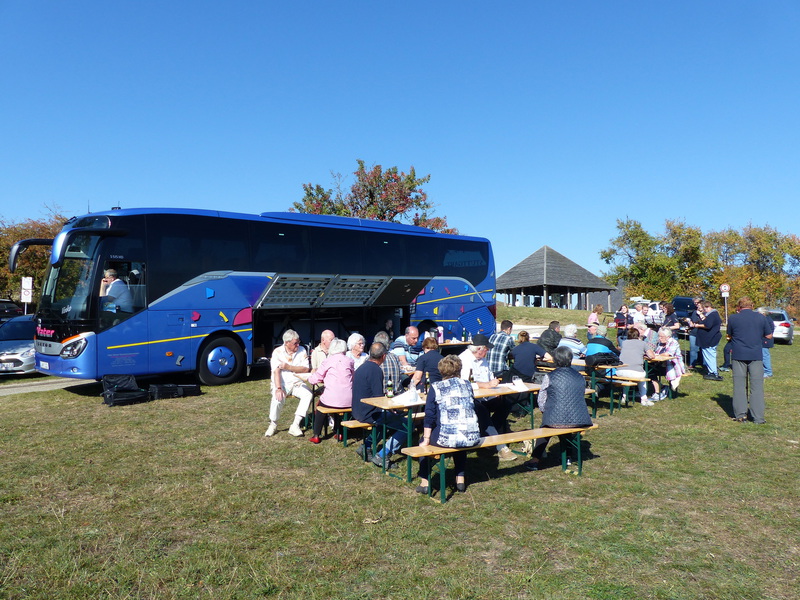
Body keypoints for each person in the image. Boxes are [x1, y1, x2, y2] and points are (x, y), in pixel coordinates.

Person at [415, 355, 481, 495]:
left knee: (423, 443)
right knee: (460, 435)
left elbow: (430, 415)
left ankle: (425, 482)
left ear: (441, 371)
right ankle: (460, 479)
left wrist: (426, 438)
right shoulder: (467, 384)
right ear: (459, 369)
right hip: (471, 435)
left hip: (447, 438)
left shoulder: (436, 387)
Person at [523, 347, 594, 471]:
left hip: (555, 418)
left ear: (555, 359)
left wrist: (544, 410)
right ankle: (568, 457)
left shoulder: (549, 376)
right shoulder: (580, 377)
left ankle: (535, 460)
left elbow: (542, 397)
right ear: (570, 359)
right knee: (566, 429)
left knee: (545, 431)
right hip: (579, 418)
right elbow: (580, 394)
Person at [459, 334, 516, 461]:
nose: (488, 351)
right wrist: (485, 385)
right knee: (482, 411)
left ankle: (488, 434)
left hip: (487, 396)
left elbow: (490, 376)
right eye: (487, 349)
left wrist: (495, 385)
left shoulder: (483, 359)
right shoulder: (464, 360)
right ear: (479, 349)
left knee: (506, 403)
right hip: (470, 399)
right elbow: (464, 383)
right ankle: (501, 447)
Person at [351, 342, 409, 466]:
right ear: (383, 356)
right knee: (407, 425)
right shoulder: (376, 370)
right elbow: (378, 399)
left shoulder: (362, 367)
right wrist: (392, 408)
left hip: (357, 410)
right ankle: (383, 455)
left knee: (386, 421)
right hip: (369, 413)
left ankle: (366, 446)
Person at [727, 297, 772, 424]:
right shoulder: (761, 317)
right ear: (752, 306)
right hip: (755, 355)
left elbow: (729, 335)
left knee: (739, 386)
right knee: (757, 386)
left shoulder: (733, 318)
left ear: (739, 307)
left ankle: (741, 415)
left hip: (738, 354)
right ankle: (758, 417)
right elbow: (769, 335)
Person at [265, 329, 312, 437]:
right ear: (286, 343)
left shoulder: (302, 350)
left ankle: (295, 425)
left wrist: (288, 367)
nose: (298, 345)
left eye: (298, 342)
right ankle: (273, 424)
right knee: (277, 398)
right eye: (295, 343)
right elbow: (276, 371)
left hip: (297, 383)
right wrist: (278, 388)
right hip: (282, 383)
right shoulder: (277, 352)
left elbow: (305, 369)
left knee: (308, 394)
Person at [307, 338, 354, 443]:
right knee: (338, 407)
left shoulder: (328, 361)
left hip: (331, 398)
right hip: (348, 399)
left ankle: (316, 435)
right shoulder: (349, 361)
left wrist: (310, 378)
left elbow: (317, 378)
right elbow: (353, 377)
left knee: (320, 407)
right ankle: (339, 432)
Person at [616, 327, 656, 405]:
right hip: (636, 372)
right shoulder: (643, 343)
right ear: (638, 335)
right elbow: (652, 356)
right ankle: (644, 398)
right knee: (643, 378)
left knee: (626, 379)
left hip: (620, 371)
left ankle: (624, 396)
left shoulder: (624, 343)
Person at [649, 327, 685, 401]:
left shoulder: (673, 342)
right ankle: (661, 388)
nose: (659, 338)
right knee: (648, 370)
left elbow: (667, 354)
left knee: (651, 371)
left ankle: (658, 392)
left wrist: (656, 355)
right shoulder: (660, 343)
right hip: (661, 364)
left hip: (673, 366)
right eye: (659, 336)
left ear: (668, 337)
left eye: (661, 337)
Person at [692, 300, 722, 381]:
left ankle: (713, 372)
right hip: (711, 338)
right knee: (710, 355)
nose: (704, 310)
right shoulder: (714, 314)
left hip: (709, 339)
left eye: (704, 308)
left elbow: (708, 325)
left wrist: (697, 325)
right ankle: (713, 371)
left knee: (709, 356)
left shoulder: (712, 315)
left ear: (708, 307)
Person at [374, 330, 405, 395]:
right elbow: (400, 374)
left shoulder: (372, 359)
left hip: (381, 395)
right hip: (396, 393)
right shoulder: (395, 357)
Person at [757, 308, 775, 378]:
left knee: (765, 356)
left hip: (765, 340)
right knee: (762, 356)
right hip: (762, 340)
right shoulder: (765, 319)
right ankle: (763, 370)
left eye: (759, 313)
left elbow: (769, 331)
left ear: (763, 313)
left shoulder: (767, 320)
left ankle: (768, 372)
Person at [688, 298, 704, 368]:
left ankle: (704, 364)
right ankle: (692, 364)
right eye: (695, 304)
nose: (697, 305)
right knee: (693, 349)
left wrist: (700, 314)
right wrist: (690, 322)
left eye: (698, 304)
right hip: (693, 332)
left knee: (703, 349)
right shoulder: (694, 312)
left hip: (702, 333)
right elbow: (692, 320)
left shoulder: (705, 313)